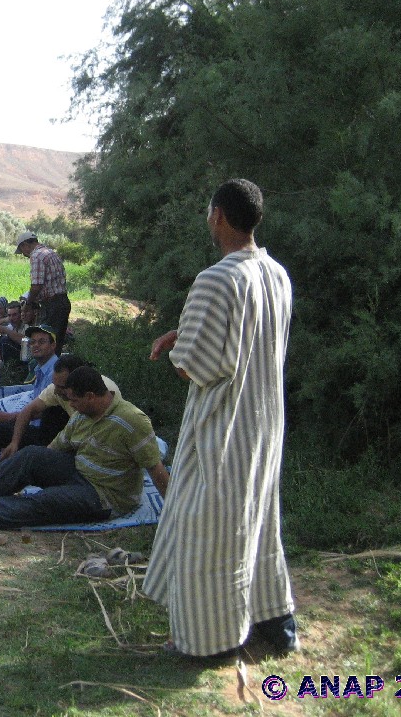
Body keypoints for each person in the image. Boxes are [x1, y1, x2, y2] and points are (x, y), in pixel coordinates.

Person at [143, 178, 299, 660]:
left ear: (219, 217)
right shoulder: (275, 273)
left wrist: (178, 345)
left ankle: (208, 642)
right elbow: (248, 334)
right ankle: (275, 622)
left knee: (205, 529)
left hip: (224, 427)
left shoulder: (217, 277)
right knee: (257, 519)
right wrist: (182, 330)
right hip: (265, 422)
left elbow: (198, 365)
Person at [0, 367, 169, 539]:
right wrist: (27, 469)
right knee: (30, 455)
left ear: (91, 396)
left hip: (105, 496)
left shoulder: (132, 421)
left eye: (74, 400)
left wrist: (173, 513)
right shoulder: (82, 416)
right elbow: (51, 451)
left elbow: (156, 469)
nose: (70, 405)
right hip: (79, 473)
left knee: (46, 501)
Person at [0, 355, 121, 462]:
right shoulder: (58, 391)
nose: (56, 391)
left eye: (61, 387)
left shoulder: (102, 396)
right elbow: (28, 411)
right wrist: (15, 443)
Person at [0, 324, 60, 454]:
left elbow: (46, 412)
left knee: (4, 429)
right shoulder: (41, 368)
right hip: (38, 425)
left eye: (41, 342)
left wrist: (9, 417)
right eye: (33, 342)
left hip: (48, 433)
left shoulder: (55, 372)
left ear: (53, 345)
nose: (35, 345)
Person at [15, 231, 70, 355]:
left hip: (52, 304)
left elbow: (36, 285)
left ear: (25, 245)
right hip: (62, 301)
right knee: (55, 343)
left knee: (45, 344)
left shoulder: (37, 256)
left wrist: (28, 303)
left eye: (22, 251)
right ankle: (55, 371)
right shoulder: (50, 252)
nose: (24, 255)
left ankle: (47, 372)